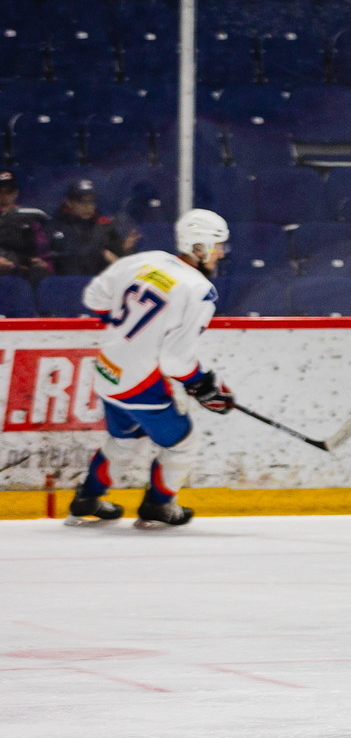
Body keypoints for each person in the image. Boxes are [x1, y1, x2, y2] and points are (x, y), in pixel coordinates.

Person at [67, 209, 235, 530]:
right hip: (138, 385)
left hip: (107, 370)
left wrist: (129, 334)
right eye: (217, 246)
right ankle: (158, 506)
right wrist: (201, 383)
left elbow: (95, 297)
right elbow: (175, 360)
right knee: (182, 444)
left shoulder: (146, 259)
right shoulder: (200, 290)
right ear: (198, 247)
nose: (221, 253)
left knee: (124, 441)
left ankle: (86, 500)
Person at [46, 178, 137, 276]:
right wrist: (101, 252)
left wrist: (126, 250)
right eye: (81, 202)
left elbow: (119, 259)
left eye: (91, 202)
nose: (88, 207)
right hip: (66, 281)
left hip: (100, 281)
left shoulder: (105, 226)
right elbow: (60, 256)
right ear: (69, 203)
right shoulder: (56, 226)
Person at [0, 170, 53, 285]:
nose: (3, 197)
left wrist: (42, 263)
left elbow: (44, 252)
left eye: (9, 192)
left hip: (23, 271)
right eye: (0, 192)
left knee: (40, 274)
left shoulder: (31, 217)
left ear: (16, 193)